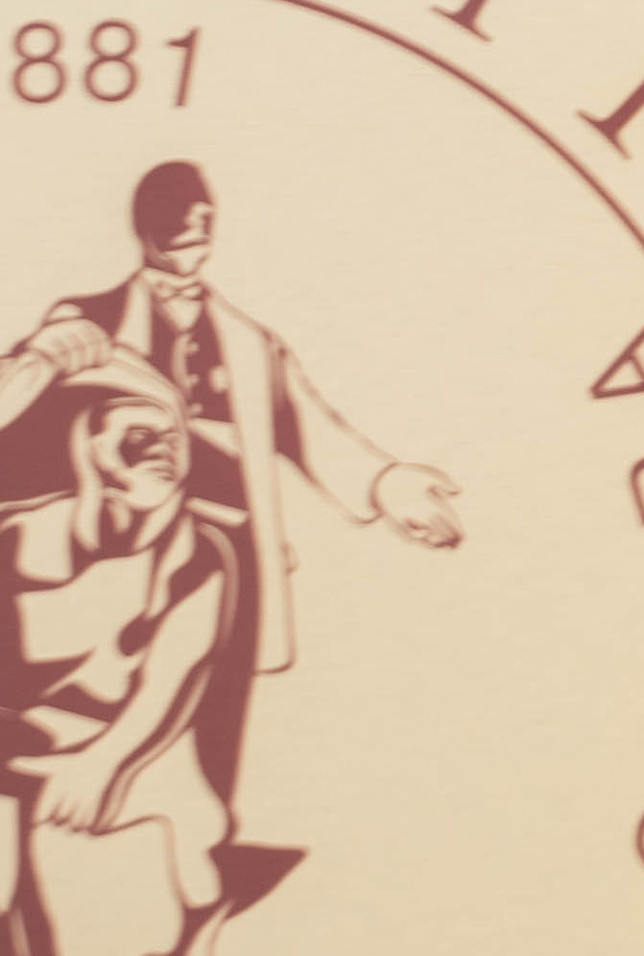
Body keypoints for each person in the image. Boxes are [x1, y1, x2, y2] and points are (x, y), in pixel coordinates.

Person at [0, 164, 458, 856]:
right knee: (69, 720)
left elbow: (309, 427)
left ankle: (194, 856)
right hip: (113, 549)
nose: (191, 234)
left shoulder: (249, 342)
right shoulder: (86, 318)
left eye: (201, 220)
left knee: (207, 722)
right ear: (147, 229)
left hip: (228, 556)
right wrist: (39, 357)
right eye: (177, 221)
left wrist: (385, 482)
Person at [0, 373, 254, 956]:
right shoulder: (19, 535)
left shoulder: (202, 556)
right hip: (22, 746)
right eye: (139, 435)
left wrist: (101, 763)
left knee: (147, 898)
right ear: (88, 447)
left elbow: (170, 685)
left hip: (132, 754)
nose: (162, 451)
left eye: (173, 438)